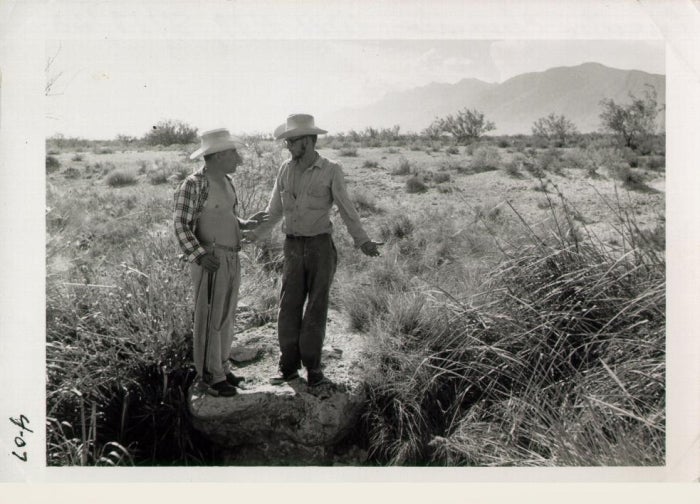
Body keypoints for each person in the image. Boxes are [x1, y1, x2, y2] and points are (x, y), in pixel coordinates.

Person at [247, 113, 382, 387]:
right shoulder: (285, 170)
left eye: (291, 141)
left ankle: (313, 368)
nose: (287, 146)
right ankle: (288, 367)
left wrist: (363, 241)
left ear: (307, 142)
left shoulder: (331, 169)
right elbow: (273, 212)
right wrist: (251, 236)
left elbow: (347, 209)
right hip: (293, 247)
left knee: (316, 308)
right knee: (289, 305)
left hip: (320, 246)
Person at [174, 128, 266, 397]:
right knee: (210, 317)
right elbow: (181, 224)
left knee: (226, 316)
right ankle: (209, 378)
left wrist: (244, 224)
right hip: (210, 260)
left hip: (230, 256)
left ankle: (222, 369)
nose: (239, 159)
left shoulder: (225, 180)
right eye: (233, 153)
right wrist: (200, 255)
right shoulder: (193, 184)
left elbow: (223, 215)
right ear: (217, 155)